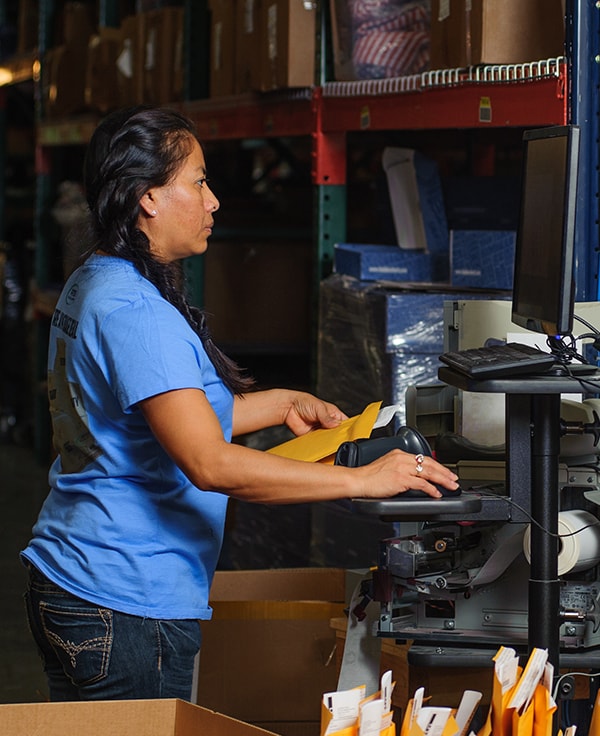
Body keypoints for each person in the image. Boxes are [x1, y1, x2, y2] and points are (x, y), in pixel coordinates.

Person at [21, 106, 459, 703]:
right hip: (124, 599)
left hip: (76, 577)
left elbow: (154, 414)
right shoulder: (139, 314)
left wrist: (276, 404)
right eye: (199, 182)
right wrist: (363, 478)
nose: (214, 201)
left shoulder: (97, 281)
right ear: (148, 197)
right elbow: (211, 464)